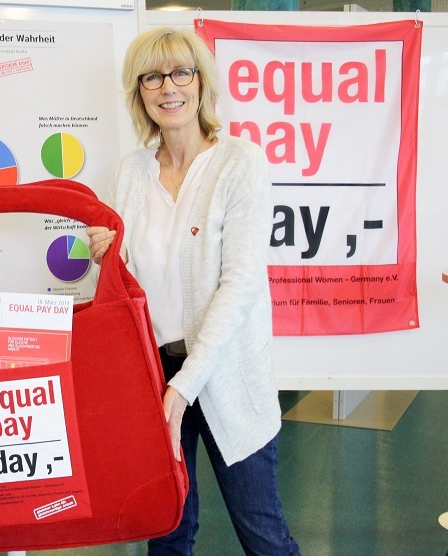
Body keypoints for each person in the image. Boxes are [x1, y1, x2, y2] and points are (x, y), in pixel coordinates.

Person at [87, 27, 300, 555]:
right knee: (168, 533)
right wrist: (109, 259)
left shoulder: (239, 162)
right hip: (152, 373)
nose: (168, 87)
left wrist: (186, 384)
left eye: (181, 72)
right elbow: (129, 287)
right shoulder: (132, 173)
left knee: (263, 534)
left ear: (201, 83)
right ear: (139, 92)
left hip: (223, 370)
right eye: (152, 77)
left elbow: (243, 281)